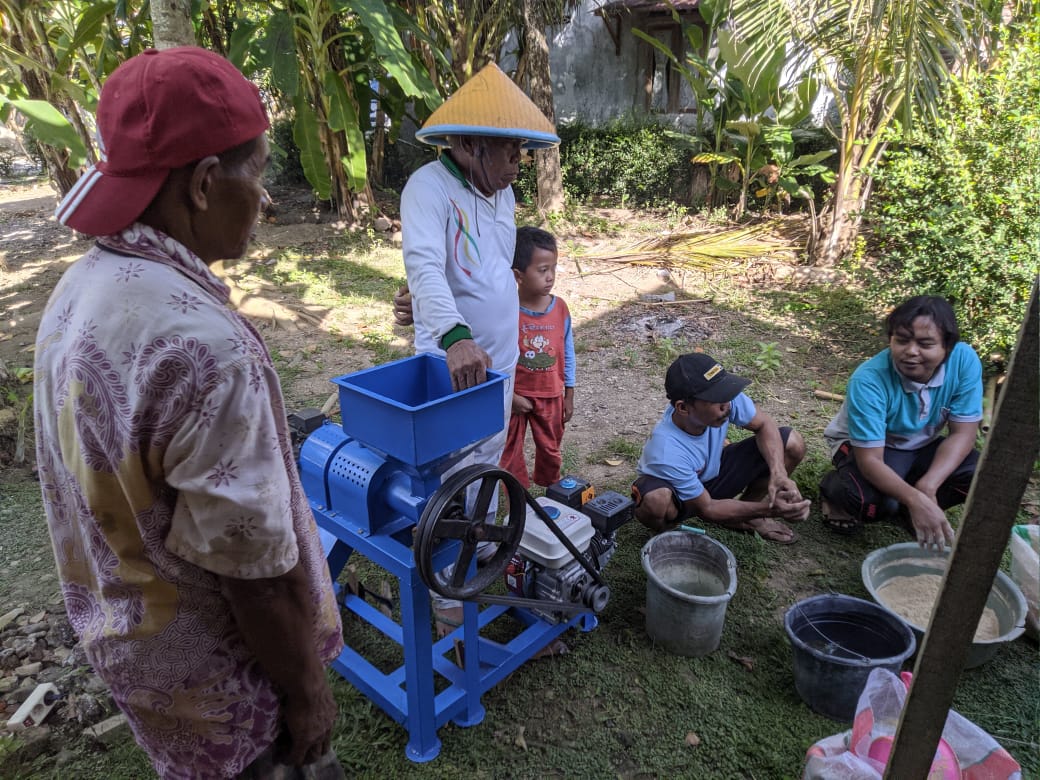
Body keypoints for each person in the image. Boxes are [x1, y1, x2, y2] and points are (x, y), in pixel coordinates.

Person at [35, 47, 344, 779]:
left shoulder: (80, 288)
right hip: (229, 692)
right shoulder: (209, 351)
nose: (265, 198)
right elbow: (255, 572)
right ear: (204, 184)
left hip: (142, 661)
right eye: (258, 172)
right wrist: (306, 695)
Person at [394, 63, 560, 638]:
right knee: (447, 471)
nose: (518, 162)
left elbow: (485, 268)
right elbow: (423, 263)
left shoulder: (502, 192)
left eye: (521, 151)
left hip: (499, 363)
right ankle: (444, 586)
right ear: (468, 145)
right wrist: (454, 334)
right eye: (509, 150)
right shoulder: (428, 188)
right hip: (454, 361)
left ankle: (478, 555)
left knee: (487, 461)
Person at [819, 296, 983, 550]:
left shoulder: (964, 360)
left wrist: (927, 486)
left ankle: (915, 504)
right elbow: (871, 460)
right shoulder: (869, 380)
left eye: (925, 344)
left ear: (948, 346)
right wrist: (915, 497)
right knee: (873, 504)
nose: (911, 351)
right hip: (869, 448)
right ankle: (835, 493)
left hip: (922, 444)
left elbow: (963, 434)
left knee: (981, 473)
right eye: (902, 340)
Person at [631, 352, 810, 543]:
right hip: (680, 498)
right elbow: (707, 508)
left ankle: (746, 513)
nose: (727, 404)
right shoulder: (666, 450)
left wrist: (779, 473)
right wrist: (771, 510)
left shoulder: (724, 401)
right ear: (683, 408)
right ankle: (665, 532)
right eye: (716, 397)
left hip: (710, 478)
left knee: (792, 443)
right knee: (656, 500)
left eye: (725, 392)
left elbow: (764, 424)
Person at [499, 227, 575, 488]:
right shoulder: (506, 310)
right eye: (542, 270)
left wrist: (569, 393)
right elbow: (497, 356)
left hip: (551, 395)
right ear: (518, 275)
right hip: (515, 396)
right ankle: (517, 495)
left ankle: (551, 487)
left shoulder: (560, 308)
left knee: (551, 448)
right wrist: (509, 397)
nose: (550, 277)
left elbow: (568, 352)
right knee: (508, 451)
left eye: (553, 268)